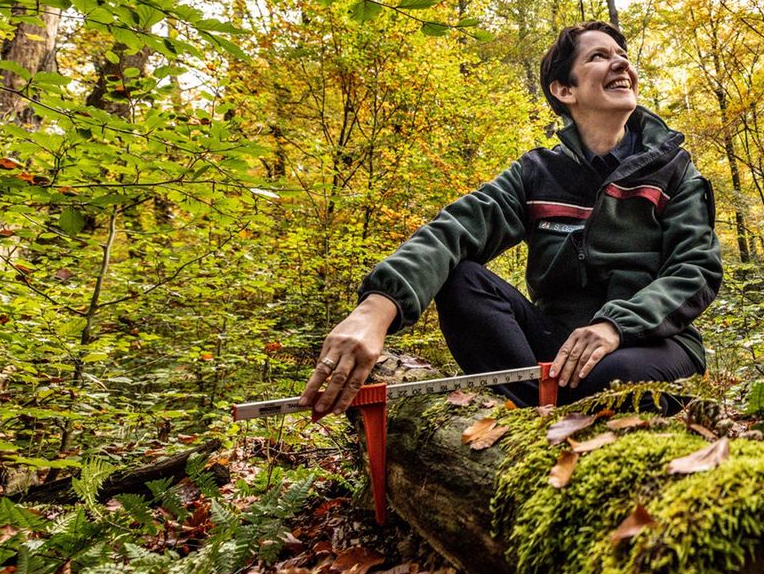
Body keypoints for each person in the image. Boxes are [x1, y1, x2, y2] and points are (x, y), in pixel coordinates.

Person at [300, 21, 722, 417]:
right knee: (462, 279)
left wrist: (615, 325)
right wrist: (376, 309)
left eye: (621, 54)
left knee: (610, 378)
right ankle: (534, 422)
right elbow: (456, 230)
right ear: (564, 90)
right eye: (598, 57)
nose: (621, 63)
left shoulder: (675, 171)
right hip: (554, 350)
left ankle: (556, 411)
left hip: (651, 343)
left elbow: (696, 270)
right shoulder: (537, 173)